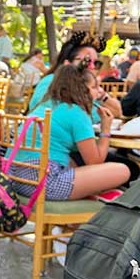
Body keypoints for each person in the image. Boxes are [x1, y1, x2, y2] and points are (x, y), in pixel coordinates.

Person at [11, 64, 130, 200]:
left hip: (16, 178)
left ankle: (91, 194)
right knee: (123, 170)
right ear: (82, 89)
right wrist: (105, 129)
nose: (99, 92)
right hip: (44, 184)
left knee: (73, 160)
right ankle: (95, 195)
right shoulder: (76, 112)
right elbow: (94, 161)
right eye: (94, 87)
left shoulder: (44, 105)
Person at [29, 31, 122, 119]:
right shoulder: (51, 81)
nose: (92, 67)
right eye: (86, 61)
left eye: (96, 63)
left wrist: (102, 96)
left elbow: (118, 113)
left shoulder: (88, 87)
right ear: (67, 64)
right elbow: (51, 117)